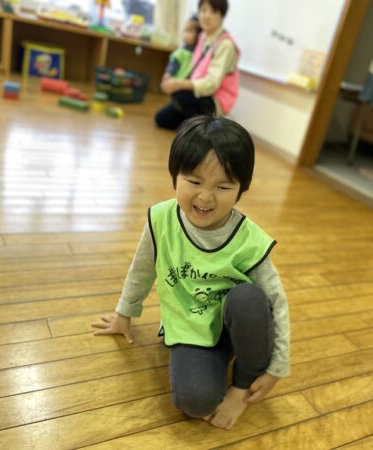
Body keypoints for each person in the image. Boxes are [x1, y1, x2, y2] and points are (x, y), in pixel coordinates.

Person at [92, 116, 291, 430]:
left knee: (249, 299)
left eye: (223, 186)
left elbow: (276, 302)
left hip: (240, 322)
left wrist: (277, 366)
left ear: (241, 189)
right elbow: (142, 269)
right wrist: (124, 313)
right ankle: (219, 359)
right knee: (195, 401)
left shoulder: (248, 239)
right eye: (195, 182)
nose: (205, 197)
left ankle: (242, 383)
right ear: (175, 176)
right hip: (192, 328)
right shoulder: (161, 219)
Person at [154, 0, 239, 130]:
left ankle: (206, 125)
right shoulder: (203, 36)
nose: (207, 16)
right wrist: (171, 76)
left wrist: (180, 83)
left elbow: (211, 84)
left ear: (222, 15)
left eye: (213, 11)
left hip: (213, 99)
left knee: (180, 94)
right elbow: (187, 62)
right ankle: (194, 125)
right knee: (161, 119)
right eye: (203, 10)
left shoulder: (225, 45)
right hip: (197, 94)